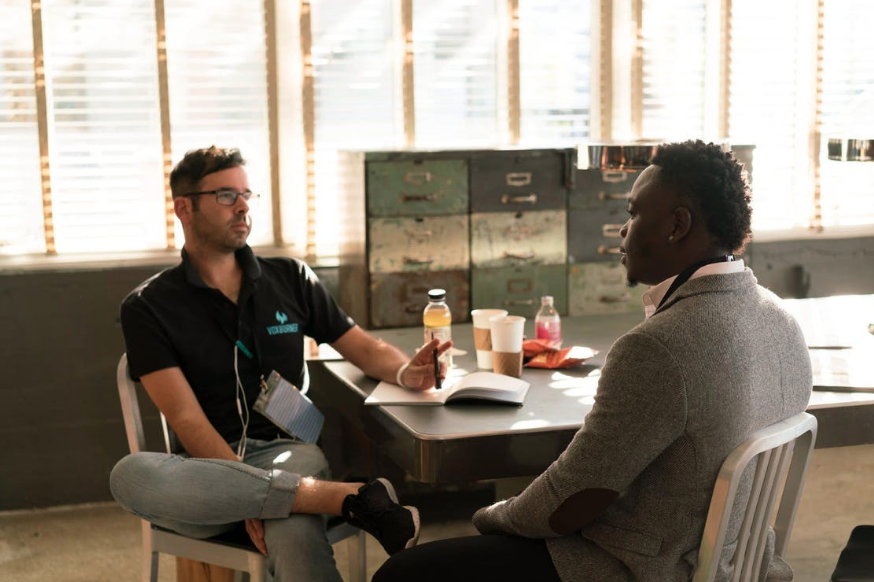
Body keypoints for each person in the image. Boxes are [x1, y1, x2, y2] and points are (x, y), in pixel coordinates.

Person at [372, 140, 813, 582]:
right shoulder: (781, 319)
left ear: (677, 225)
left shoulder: (657, 347)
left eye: (633, 213)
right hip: (739, 566)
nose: (622, 230)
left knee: (403, 573)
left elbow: (570, 502)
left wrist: (493, 516)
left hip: (641, 569)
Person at [109, 146, 451, 582]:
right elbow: (186, 420)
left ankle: (305, 498)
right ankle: (349, 498)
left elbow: (364, 348)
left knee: (290, 523)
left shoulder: (290, 277)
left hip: (290, 454)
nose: (243, 206)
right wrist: (246, 492)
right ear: (184, 208)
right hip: (205, 474)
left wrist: (408, 372)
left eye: (246, 194)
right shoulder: (148, 307)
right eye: (226, 195)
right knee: (129, 475)